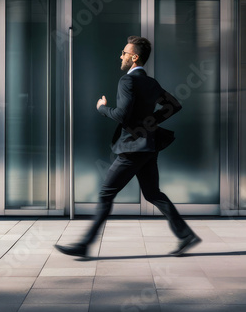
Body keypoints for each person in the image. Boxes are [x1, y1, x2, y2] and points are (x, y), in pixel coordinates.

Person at [55, 36, 201, 258]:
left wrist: (102, 108)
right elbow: (175, 105)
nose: (120, 55)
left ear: (134, 57)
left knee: (105, 194)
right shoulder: (151, 83)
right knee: (153, 193)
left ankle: (84, 245)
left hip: (132, 150)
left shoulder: (127, 81)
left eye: (124, 52)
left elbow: (122, 115)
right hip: (148, 146)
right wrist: (150, 122)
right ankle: (185, 235)